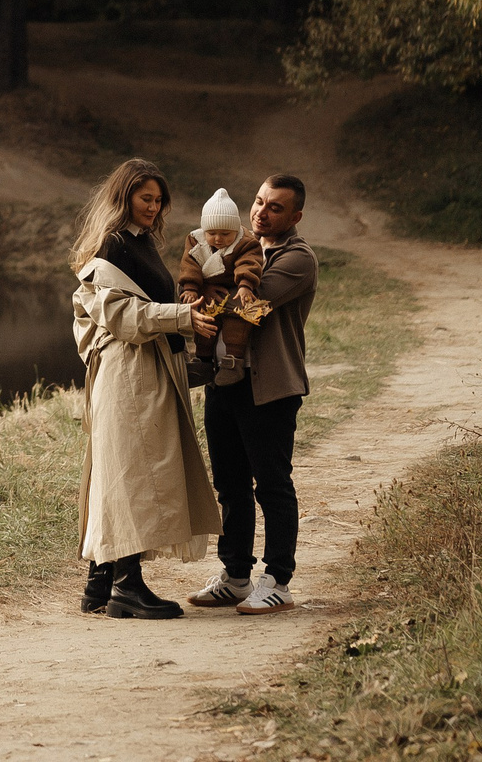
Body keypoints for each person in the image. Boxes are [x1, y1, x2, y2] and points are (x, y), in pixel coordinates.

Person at [69, 157, 223, 620]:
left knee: (123, 468)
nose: (153, 208)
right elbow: (121, 317)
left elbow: (145, 307)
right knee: (134, 473)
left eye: (159, 201)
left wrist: (188, 310)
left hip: (145, 368)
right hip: (128, 372)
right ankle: (126, 587)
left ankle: (100, 582)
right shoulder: (111, 248)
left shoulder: (139, 244)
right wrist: (182, 318)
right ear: (124, 197)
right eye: (145, 198)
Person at [188, 174, 318, 616]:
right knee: (229, 483)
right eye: (259, 202)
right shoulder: (237, 248)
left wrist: (200, 296)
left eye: (275, 207)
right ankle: (236, 575)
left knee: (273, 485)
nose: (261, 212)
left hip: (270, 388)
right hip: (226, 382)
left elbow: (250, 307)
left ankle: (278, 579)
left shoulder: (297, 259)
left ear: (295, 216)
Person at [177, 189, 267, 389]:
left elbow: (249, 263)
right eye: (212, 233)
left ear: (235, 230)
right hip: (207, 292)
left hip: (235, 290)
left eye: (225, 234)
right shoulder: (195, 241)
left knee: (239, 320)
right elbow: (189, 264)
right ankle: (202, 362)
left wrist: (245, 285)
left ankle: (233, 362)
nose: (218, 239)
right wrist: (192, 287)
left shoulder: (246, 242)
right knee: (205, 324)